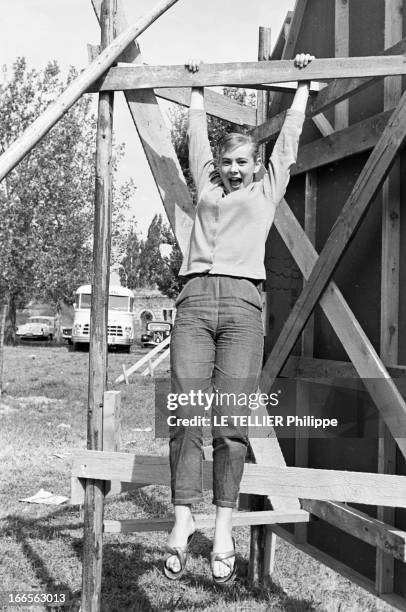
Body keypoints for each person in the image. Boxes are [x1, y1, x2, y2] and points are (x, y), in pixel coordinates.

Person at [164, 53, 314, 583]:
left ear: (256, 166)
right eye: (226, 162)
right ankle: (182, 520)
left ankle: (222, 526)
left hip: (246, 305)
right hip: (195, 299)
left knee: (231, 422)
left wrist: (301, 86)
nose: (233, 169)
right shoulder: (206, 190)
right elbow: (196, 142)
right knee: (185, 411)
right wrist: (198, 89)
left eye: (243, 163)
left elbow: (289, 146)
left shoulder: (267, 192)